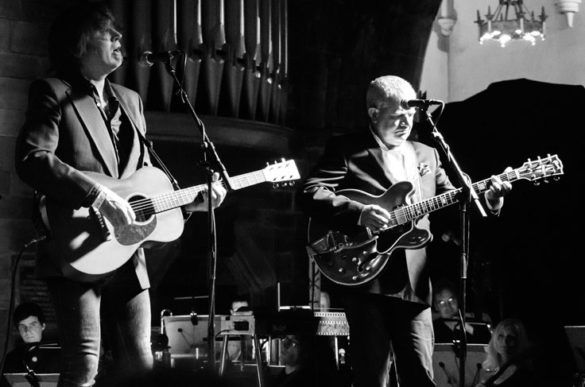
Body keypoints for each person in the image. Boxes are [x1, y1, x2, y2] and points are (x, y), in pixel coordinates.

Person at [14, 4, 226, 387]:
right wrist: (96, 194)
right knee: (83, 366)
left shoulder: (131, 101)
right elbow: (32, 158)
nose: (119, 38)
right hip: (75, 246)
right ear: (80, 44)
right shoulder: (53, 91)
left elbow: (142, 184)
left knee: (140, 364)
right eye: (106, 31)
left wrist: (189, 204)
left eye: (118, 32)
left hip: (128, 254)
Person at [300, 75, 511, 387]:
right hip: (366, 278)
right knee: (372, 377)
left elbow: (456, 205)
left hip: (413, 285)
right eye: (398, 116)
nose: (406, 123)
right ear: (374, 113)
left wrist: (491, 199)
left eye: (411, 116)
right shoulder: (347, 148)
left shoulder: (428, 153)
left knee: (421, 378)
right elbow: (311, 192)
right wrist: (360, 213)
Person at [476, 318, 542, 387]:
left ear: (519, 341)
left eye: (511, 337)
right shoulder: (492, 369)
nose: (505, 342)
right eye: (501, 336)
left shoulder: (524, 375)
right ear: (494, 338)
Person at [2, 302, 60, 375]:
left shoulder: (58, 355)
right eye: (22, 326)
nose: (27, 331)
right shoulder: (11, 358)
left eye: (32, 325)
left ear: (43, 326)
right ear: (18, 329)